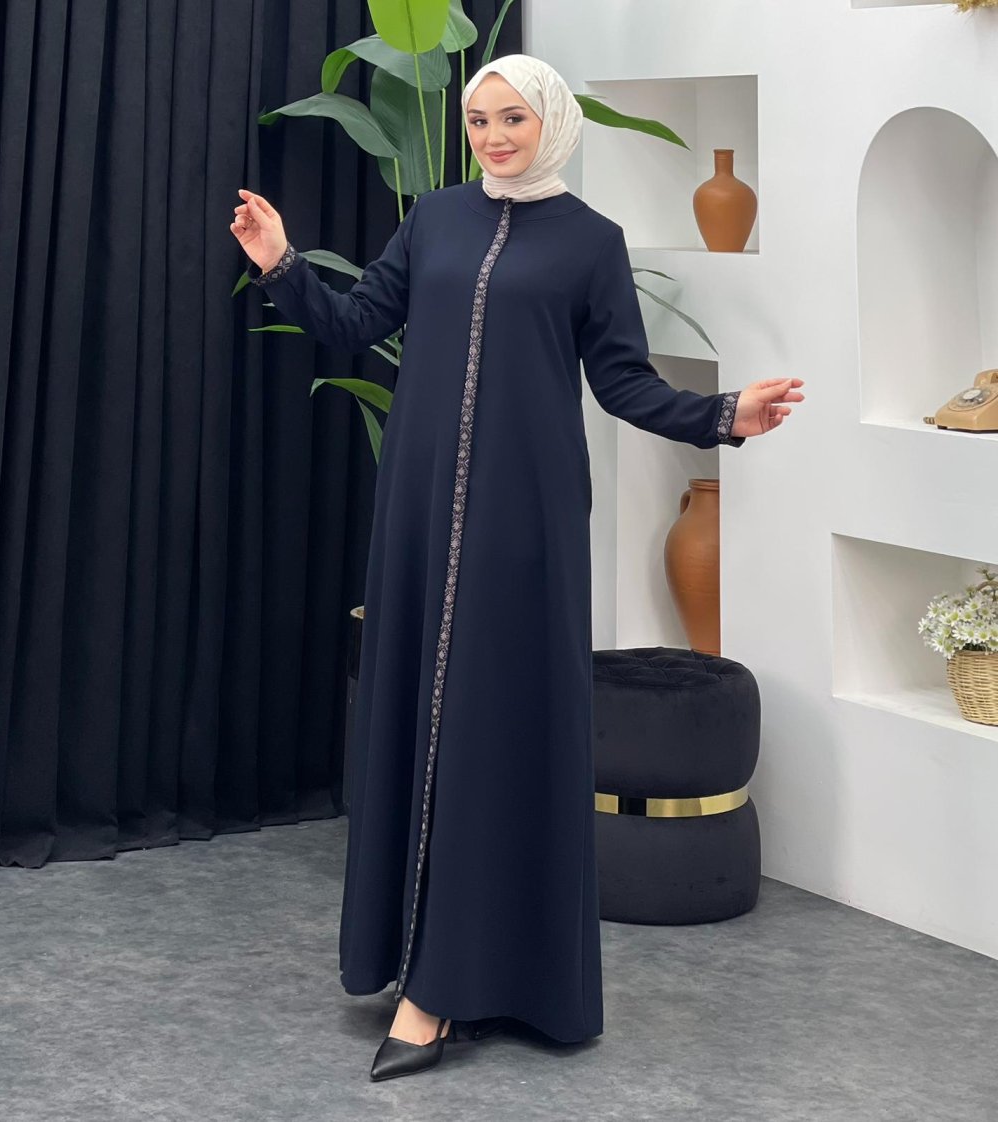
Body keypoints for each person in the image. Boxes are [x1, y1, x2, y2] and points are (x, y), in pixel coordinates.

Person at [230, 53, 804, 1083]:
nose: (494, 137)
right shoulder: (437, 219)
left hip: (524, 518)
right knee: (428, 724)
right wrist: (282, 265)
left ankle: (456, 988)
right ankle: (429, 975)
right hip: (419, 512)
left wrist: (724, 415)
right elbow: (357, 326)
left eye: (513, 119)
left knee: (497, 733)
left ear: (551, 123)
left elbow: (623, 383)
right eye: (480, 121)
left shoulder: (590, 242)